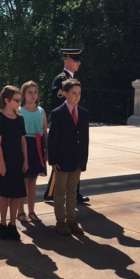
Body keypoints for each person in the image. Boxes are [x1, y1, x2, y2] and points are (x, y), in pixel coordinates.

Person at [44, 48, 90, 203]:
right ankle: (55, 193)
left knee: (74, 160)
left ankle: (69, 193)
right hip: (65, 127)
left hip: (73, 125)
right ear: (68, 61)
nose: (79, 63)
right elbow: (57, 105)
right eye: (76, 61)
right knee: (63, 163)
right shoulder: (60, 79)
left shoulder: (71, 78)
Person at [48, 78, 89, 235]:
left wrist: (84, 159)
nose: (77, 96)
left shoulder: (84, 113)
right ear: (65, 94)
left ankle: (71, 220)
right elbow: (53, 139)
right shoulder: (58, 113)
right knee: (60, 191)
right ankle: (60, 221)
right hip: (63, 159)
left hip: (77, 159)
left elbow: (85, 139)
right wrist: (53, 160)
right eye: (73, 93)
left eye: (79, 93)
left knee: (72, 190)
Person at [0, 85, 29, 240]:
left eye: (21, 100)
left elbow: (23, 142)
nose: (19, 103)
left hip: (17, 161)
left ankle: (13, 224)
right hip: (4, 162)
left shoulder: (20, 119)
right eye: (17, 100)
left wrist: (26, 160)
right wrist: (2, 164)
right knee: (5, 195)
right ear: (7, 100)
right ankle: (3, 224)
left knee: (16, 195)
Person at [17, 81, 48, 224]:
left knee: (33, 180)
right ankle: (20, 211)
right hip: (24, 145)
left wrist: (46, 150)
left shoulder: (41, 111)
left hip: (37, 145)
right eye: (30, 92)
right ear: (23, 94)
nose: (33, 95)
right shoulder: (18, 110)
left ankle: (31, 211)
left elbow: (45, 133)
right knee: (22, 181)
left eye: (35, 92)